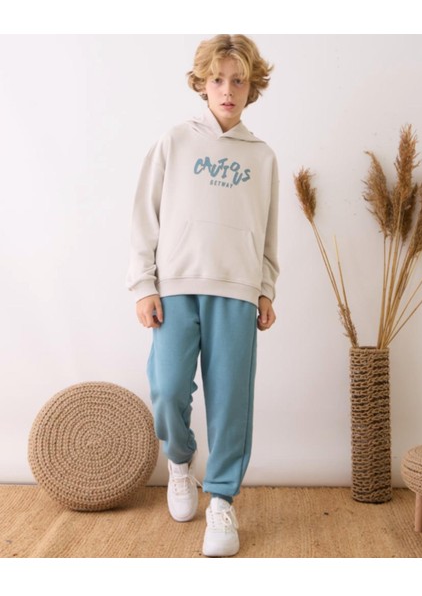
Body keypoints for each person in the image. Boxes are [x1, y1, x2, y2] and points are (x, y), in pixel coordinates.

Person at [127, 34, 279, 557]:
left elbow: (269, 231)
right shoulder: (174, 141)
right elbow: (144, 217)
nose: (227, 90)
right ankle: (180, 460)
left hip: (237, 291)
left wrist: (265, 288)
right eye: (217, 80)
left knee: (231, 401)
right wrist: (143, 284)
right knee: (168, 388)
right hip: (175, 288)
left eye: (238, 80)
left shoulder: (262, 157)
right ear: (202, 84)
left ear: (252, 87)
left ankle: (221, 500)